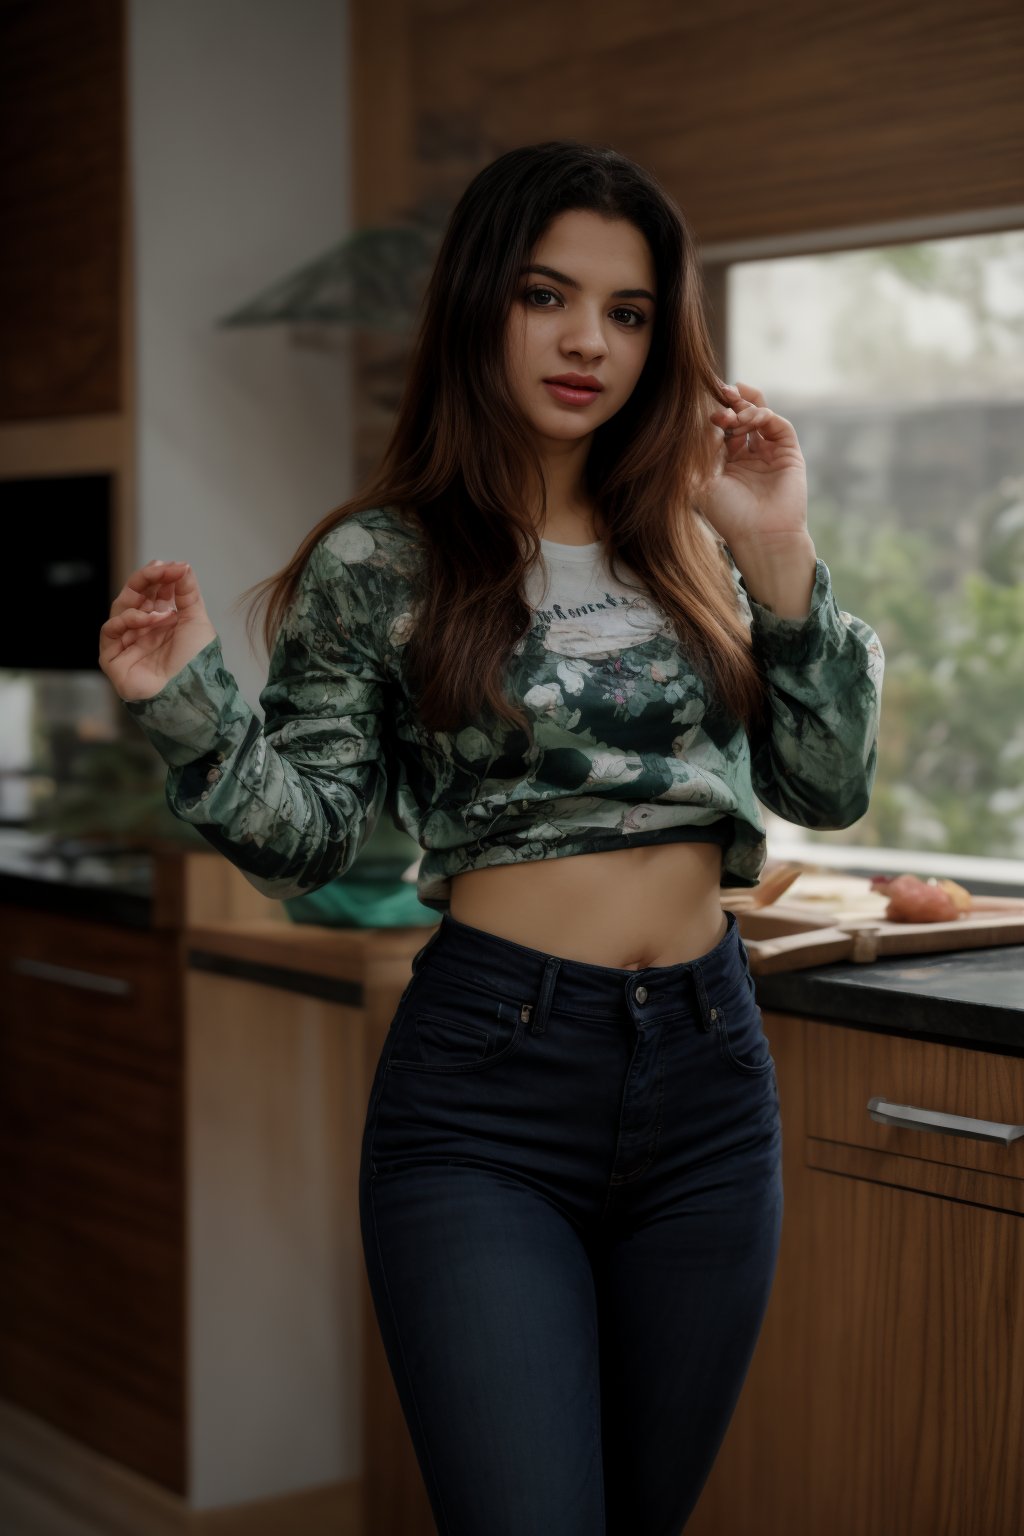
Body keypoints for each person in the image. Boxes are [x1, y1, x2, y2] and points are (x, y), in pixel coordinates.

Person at [101, 141, 883, 1535]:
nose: (589, 340)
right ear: (480, 306)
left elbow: (826, 789)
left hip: (711, 1083)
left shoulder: (700, 540)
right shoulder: (382, 560)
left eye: (629, 311)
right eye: (547, 295)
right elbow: (308, 838)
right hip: (487, 1097)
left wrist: (778, 553)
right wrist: (190, 708)